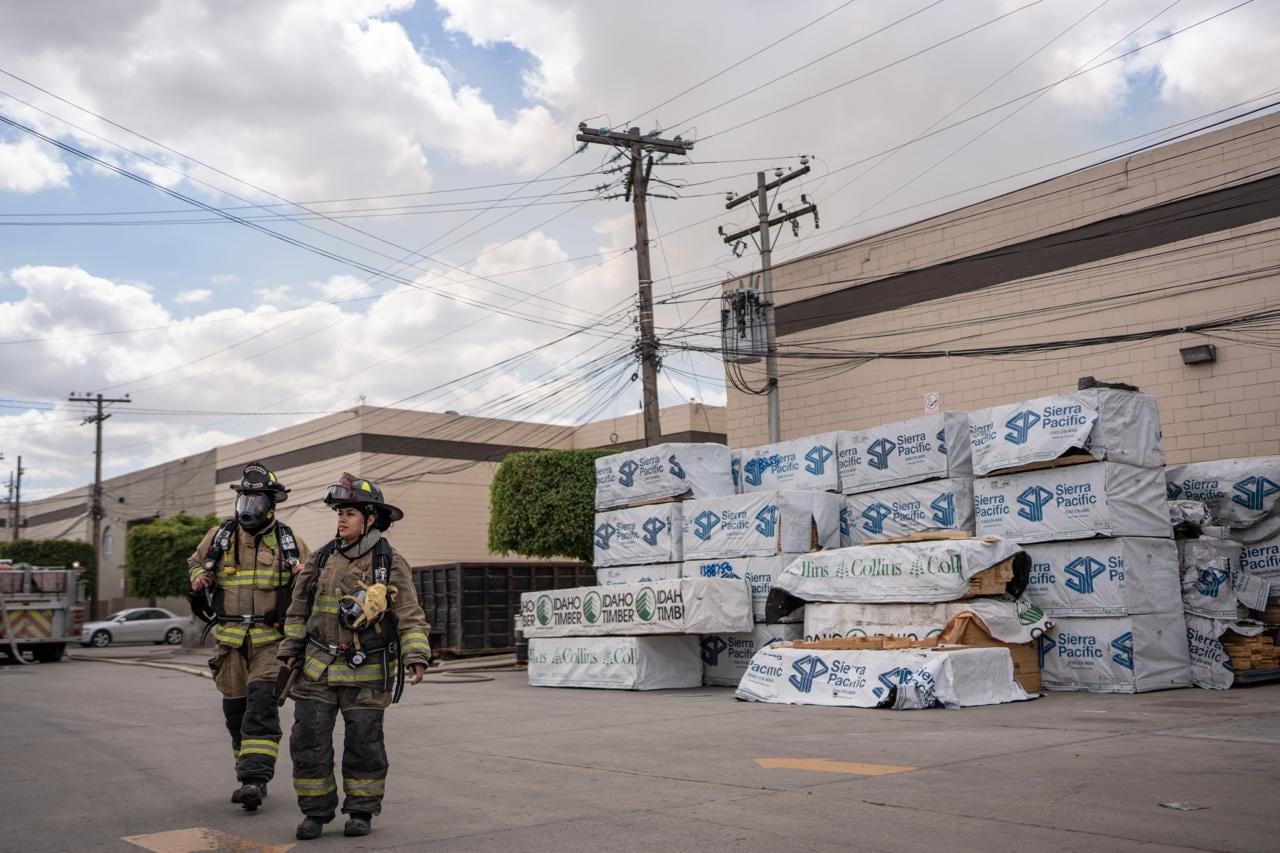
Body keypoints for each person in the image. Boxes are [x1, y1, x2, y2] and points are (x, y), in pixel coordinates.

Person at [278, 473, 431, 840]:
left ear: (370, 518)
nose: (341, 519)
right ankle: (315, 812)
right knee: (308, 739)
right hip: (317, 666)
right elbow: (298, 611)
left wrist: (415, 654)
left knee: (365, 742)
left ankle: (361, 810)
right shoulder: (321, 558)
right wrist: (288, 653)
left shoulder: (390, 561)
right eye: (339, 513)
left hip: (367, 670)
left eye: (349, 513)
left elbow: (409, 613)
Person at [188, 461, 309, 811]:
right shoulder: (219, 538)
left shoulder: (290, 542)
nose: (248, 509)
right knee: (235, 714)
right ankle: (247, 769)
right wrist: (199, 575)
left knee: (261, 707)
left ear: (271, 504)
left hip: (270, 643)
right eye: (244, 501)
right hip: (229, 644)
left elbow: (312, 585)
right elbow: (194, 562)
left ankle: (255, 779)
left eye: (256, 502)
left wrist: (302, 575)